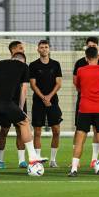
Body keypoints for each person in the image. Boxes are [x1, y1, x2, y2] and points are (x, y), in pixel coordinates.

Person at [0, 52, 46, 178]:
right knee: (24, 121)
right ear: (22, 61)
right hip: (5, 102)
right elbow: (24, 89)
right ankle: (33, 156)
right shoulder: (24, 67)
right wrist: (20, 109)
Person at [69, 46, 99, 177]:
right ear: (98, 57)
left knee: (80, 140)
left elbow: (78, 87)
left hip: (84, 109)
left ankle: (74, 169)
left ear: (86, 58)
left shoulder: (80, 70)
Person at [73, 37, 99, 167]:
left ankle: (91, 161)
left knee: (88, 134)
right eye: (90, 45)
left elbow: (78, 84)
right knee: (96, 135)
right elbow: (76, 83)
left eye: (94, 45)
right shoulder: (79, 64)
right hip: (94, 104)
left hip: (86, 105)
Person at [29, 40, 63, 168]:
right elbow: (33, 84)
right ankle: (37, 159)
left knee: (56, 130)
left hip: (53, 101)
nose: (44, 49)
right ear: (38, 50)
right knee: (37, 131)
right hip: (38, 101)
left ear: (49, 49)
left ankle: (53, 160)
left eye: (46, 47)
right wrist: (43, 97)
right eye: (41, 47)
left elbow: (58, 83)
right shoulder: (33, 65)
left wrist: (49, 97)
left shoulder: (56, 64)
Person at [0, 40, 27, 168]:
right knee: (4, 131)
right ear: (13, 50)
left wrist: (21, 106)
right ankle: (0, 160)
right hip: (5, 103)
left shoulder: (25, 66)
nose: (23, 50)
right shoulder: (4, 65)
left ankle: (22, 160)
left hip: (19, 102)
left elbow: (24, 87)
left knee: (21, 130)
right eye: (21, 48)